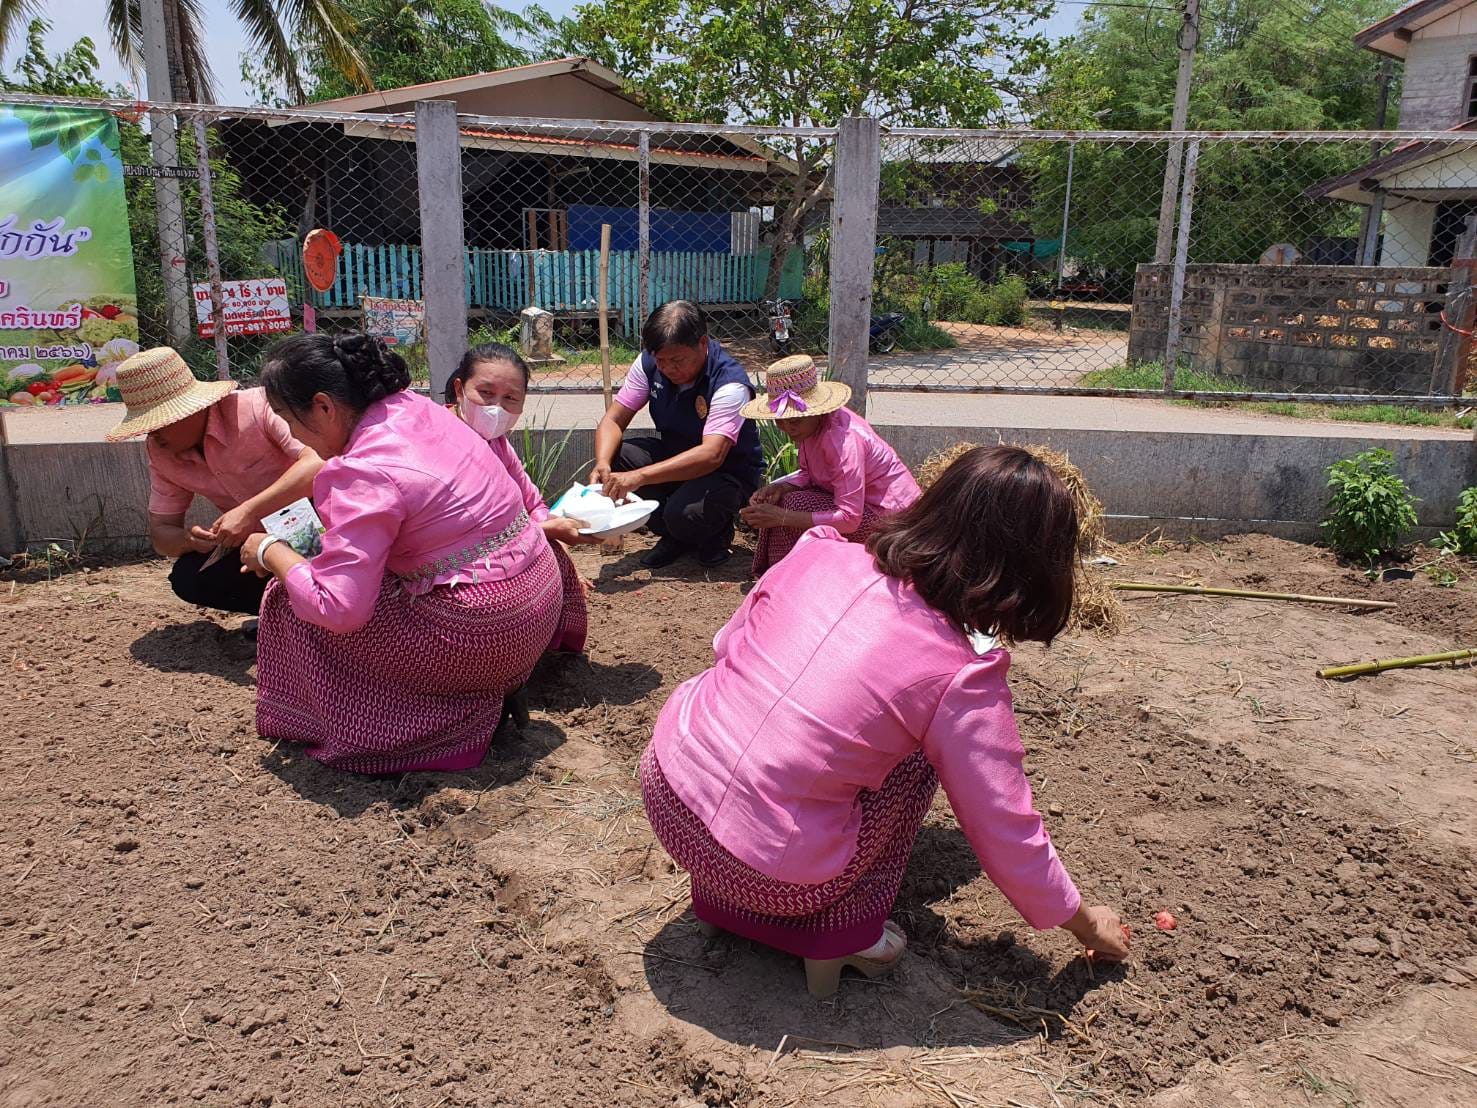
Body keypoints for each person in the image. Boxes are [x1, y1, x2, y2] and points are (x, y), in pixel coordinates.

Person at [639, 446, 1131, 998]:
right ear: (1032, 569)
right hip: (770, 875)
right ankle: (842, 932)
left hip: (666, 788)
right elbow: (1003, 824)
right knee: (921, 756)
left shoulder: (819, 552)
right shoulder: (961, 676)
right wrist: (1087, 923)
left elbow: (725, 646)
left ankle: (719, 893)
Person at [238, 333, 563, 776]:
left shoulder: (360, 470)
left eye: (287, 419)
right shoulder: (419, 408)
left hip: (485, 634)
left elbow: (340, 609)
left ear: (324, 406)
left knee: (289, 599)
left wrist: (271, 551)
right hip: (539, 602)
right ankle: (496, 690)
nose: (292, 435)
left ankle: (415, 729)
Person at [105, 346, 322, 616]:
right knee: (189, 578)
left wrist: (249, 511)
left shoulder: (256, 408)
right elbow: (161, 532)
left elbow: (316, 463)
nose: (153, 435)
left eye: (158, 424)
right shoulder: (162, 453)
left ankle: (316, 612)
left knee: (314, 549)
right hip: (254, 547)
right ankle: (283, 615)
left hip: (318, 527)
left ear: (187, 411)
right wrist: (190, 540)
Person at [445, 341, 596, 654]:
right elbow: (468, 532)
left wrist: (558, 536)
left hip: (499, 550)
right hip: (452, 568)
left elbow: (533, 503)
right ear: (460, 389)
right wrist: (547, 531)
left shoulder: (497, 443)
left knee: (554, 553)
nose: (496, 408)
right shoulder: (442, 442)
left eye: (510, 398)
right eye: (486, 393)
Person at [589, 301, 763, 569]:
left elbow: (712, 455)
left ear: (703, 343)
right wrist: (602, 461)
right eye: (661, 361)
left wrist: (639, 476)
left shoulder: (730, 384)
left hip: (726, 473)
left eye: (677, 360)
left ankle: (715, 534)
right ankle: (673, 536)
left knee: (685, 514)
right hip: (675, 455)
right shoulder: (648, 364)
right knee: (617, 456)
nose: (668, 368)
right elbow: (613, 419)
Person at [738, 354, 920, 577]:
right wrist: (782, 486)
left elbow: (849, 519)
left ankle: (787, 579)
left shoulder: (842, 441)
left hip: (892, 522)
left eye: (793, 420)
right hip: (864, 509)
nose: (786, 427)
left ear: (814, 412)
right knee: (788, 501)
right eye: (779, 420)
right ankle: (786, 576)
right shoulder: (812, 429)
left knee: (794, 507)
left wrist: (781, 516)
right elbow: (809, 473)